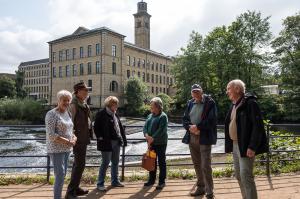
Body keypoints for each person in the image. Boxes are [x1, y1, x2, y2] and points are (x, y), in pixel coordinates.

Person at [225, 79, 268, 199]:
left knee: (245, 175)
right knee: (239, 175)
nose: (227, 92)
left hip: (245, 145)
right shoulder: (234, 104)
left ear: (237, 89)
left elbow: (257, 126)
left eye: (229, 89)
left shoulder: (250, 103)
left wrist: (252, 146)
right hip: (235, 144)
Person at [182, 84, 217, 199]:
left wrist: (199, 127)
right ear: (191, 93)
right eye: (193, 92)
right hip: (192, 137)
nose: (195, 93)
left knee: (205, 165)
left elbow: (212, 120)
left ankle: (209, 191)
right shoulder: (190, 103)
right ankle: (201, 187)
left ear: (202, 91)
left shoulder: (210, 103)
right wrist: (190, 128)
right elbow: (185, 119)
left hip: (204, 137)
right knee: (197, 164)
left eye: (197, 91)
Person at [45, 90, 77, 199]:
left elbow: (70, 129)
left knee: (62, 175)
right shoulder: (51, 114)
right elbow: (51, 135)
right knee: (60, 175)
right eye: (64, 100)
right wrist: (68, 141)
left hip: (67, 149)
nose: (67, 102)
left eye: (68, 100)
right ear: (58, 100)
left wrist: (74, 137)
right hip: (55, 148)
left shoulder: (68, 113)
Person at [94, 96, 127, 191]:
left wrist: (123, 140)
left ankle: (115, 181)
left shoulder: (115, 114)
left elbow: (120, 129)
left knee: (115, 162)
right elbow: (96, 128)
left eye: (116, 104)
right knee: (105, 163)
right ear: (110, 104)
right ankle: (100, 183)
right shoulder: (101, 113)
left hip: (117, 141)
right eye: (115, 104)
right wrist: (100, 138)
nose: (116, 106)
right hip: (106, 142)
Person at [65, 82, 92, 199]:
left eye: (87, 90)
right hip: (77, 138)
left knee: (79, 164)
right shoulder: (73, 105)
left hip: (83, 137)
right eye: (85, 90)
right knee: (79, 164)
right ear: (78, 92)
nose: (87, 92)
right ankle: (70, 192)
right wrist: (72, 136)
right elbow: (69, 123)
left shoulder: (83, 104)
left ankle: (75, 188)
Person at [143, 97, 168, 190]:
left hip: (160, 143)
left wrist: (152, 138)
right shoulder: (150, 116)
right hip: (151, 142)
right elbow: (145, 127)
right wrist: (146, 135)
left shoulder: (163, 116)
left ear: (158, 107)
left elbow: (161, 130)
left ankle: (162, 182)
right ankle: (151, 180)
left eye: (152, 106)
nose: (151, 108)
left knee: (161, 162)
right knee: (151, 161)